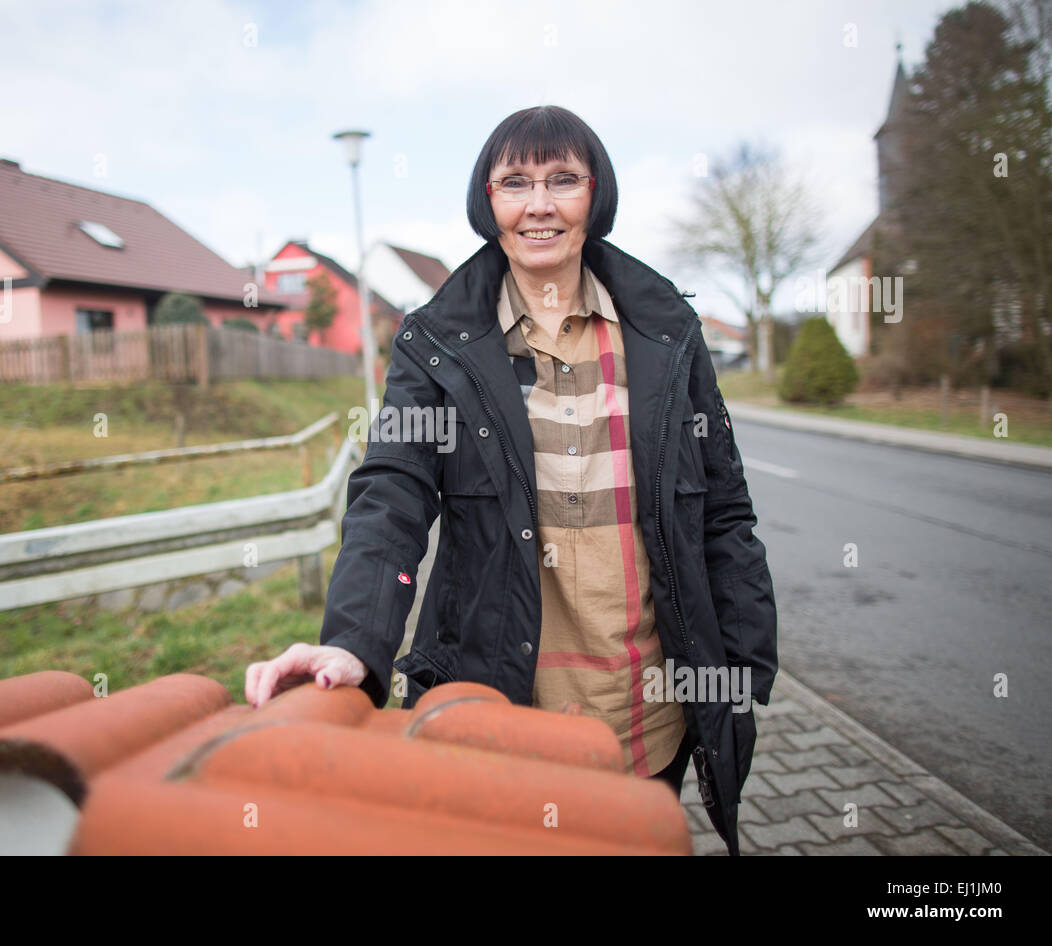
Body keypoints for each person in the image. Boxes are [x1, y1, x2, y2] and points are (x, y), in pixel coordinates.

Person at [245, 105, 778, 856]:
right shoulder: (437, 342)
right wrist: (354, 644)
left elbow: (724, 509)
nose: (539, 203)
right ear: (486, 200)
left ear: (596, 195)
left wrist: (746, 663)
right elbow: (392, 491)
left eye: (563, 179)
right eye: (515, 182)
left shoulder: (668, 335)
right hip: (497, 709)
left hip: (649, 716)